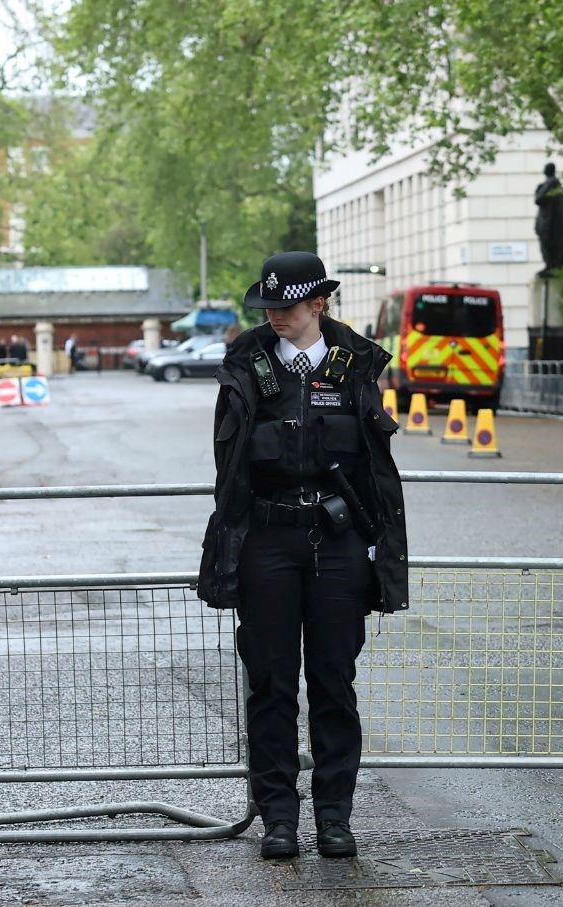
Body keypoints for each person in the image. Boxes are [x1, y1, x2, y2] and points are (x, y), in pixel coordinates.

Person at [197, 250, 409, 862]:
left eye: (286, 306)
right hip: (267, 540)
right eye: (268, 307)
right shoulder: (246, 367)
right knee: (269, 683)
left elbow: (376, 470)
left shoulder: (355, 367)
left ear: (320, 303)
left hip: (338, 544)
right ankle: (279, 820)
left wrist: (380, 551)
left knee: (333, 683)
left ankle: (335, 818)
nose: (275, 316)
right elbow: (228, 469)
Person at [534, 162, 563, 273]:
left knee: (549, 244)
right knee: (547, 244)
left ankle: (552, 265)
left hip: (550, 223)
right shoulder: (550, 183)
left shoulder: (552, 182)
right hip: (548, 221)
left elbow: (538, 199)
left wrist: (539, 189)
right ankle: (551, 265)